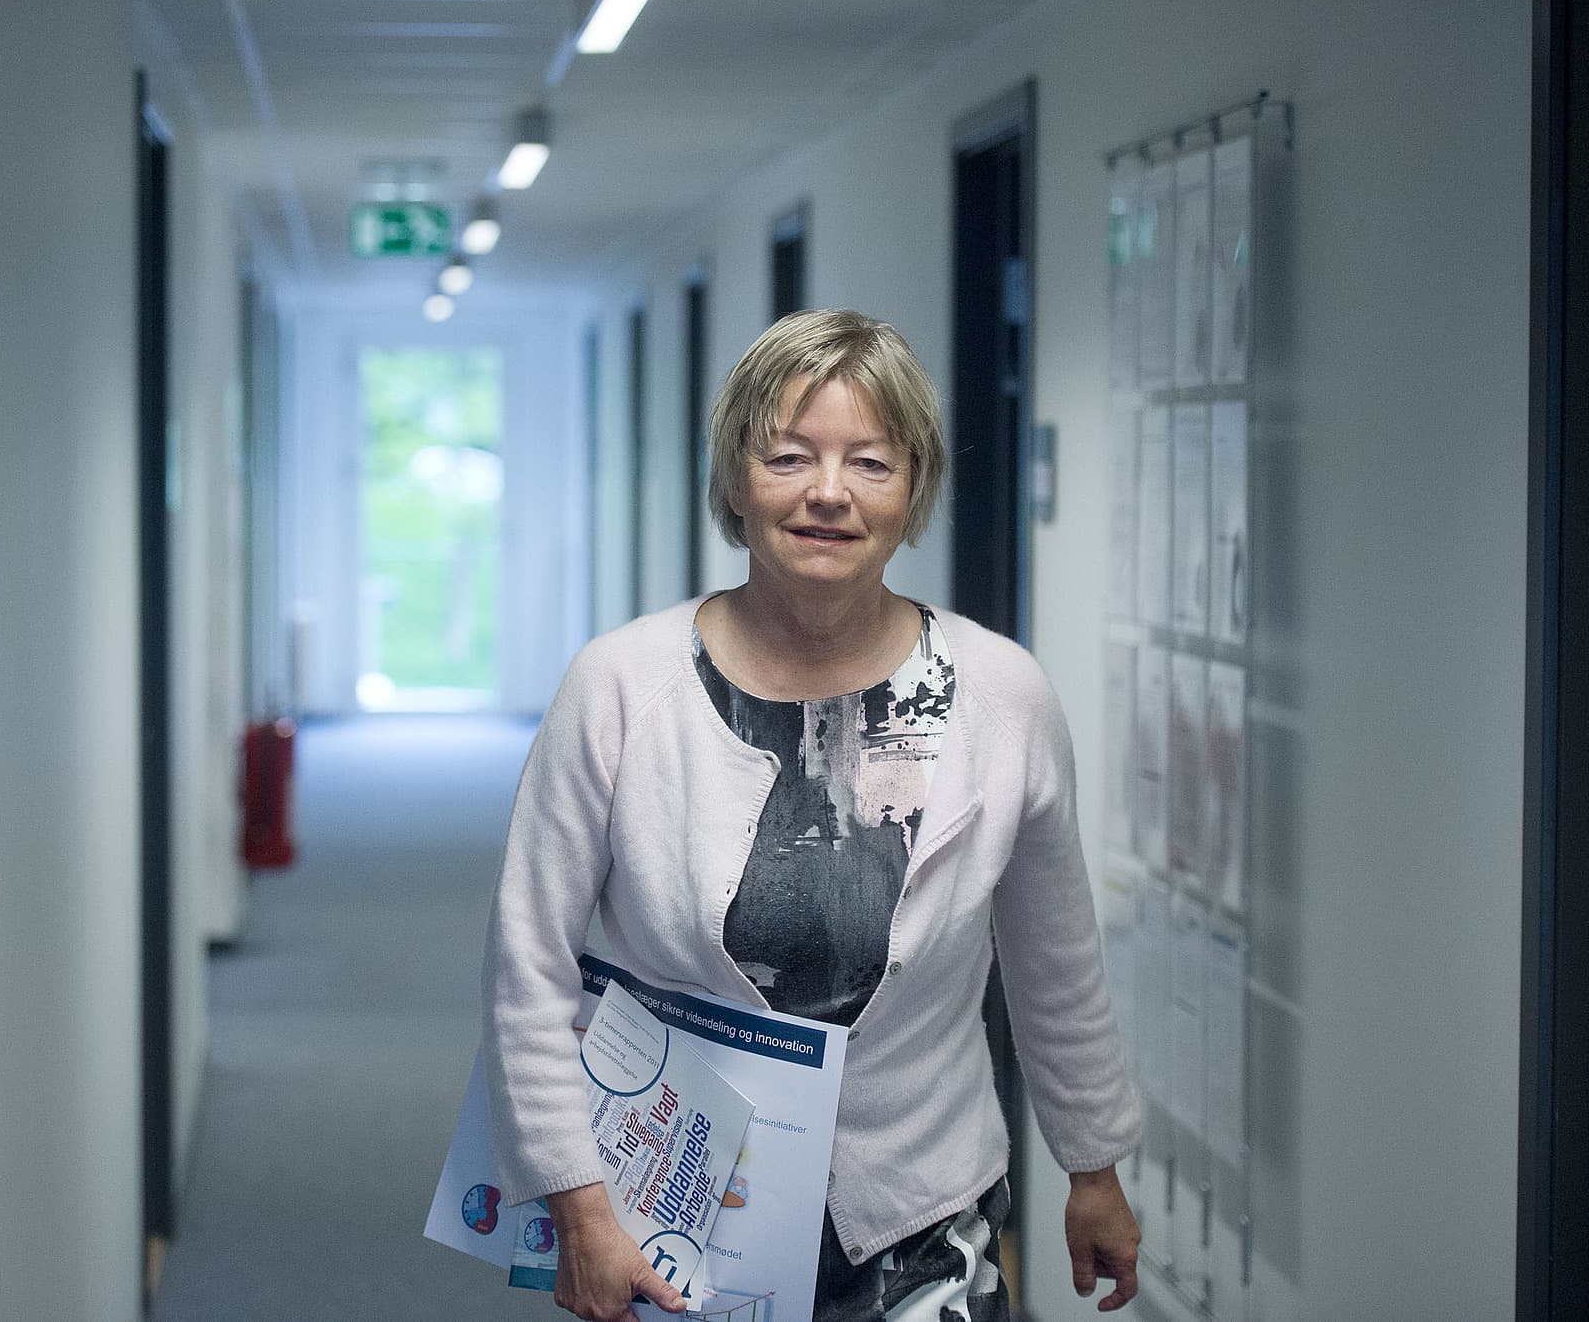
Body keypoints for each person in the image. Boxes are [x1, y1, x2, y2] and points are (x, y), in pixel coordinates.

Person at [481, 309, 1142, 1322]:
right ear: (735, 482)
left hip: (923, 1211)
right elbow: (527, 966)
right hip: (679, 1213)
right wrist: (575, 1199)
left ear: (913, 488)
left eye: (870, 462)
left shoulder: (1000, 696)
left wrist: (1092, 1165)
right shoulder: (620, 686)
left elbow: (1055, 960)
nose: (828, 491)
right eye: (788, 456)